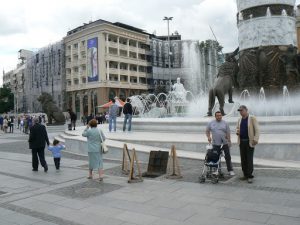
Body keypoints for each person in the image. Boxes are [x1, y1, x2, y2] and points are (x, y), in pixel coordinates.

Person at [206, 111, 235, 176]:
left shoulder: (225, 123)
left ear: (221, 116)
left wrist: (229, 141)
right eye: (217, 115)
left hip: (225, 143)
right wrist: (208, 137)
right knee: (216, 157)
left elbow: (228, 133)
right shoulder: (211, 123)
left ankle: (230, 170)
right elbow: (207, 131)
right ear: (215, 116)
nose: (219, 117)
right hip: (215, 143)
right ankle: (218, 170)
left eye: (220, 115)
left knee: (227, 157)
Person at [236, 105, 260, 183]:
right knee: (243, 159)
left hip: (249, 142)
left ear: (246, 110)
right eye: (239, 111)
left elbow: (257, 130)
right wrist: (237, 132)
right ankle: (245, 174)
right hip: (241, 141)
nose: (240, 112)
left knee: (249, 159)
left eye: (242, 110)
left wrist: (255, 139)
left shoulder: (252, 118)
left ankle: (250, 175)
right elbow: (237, 128)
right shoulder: (239, 119)